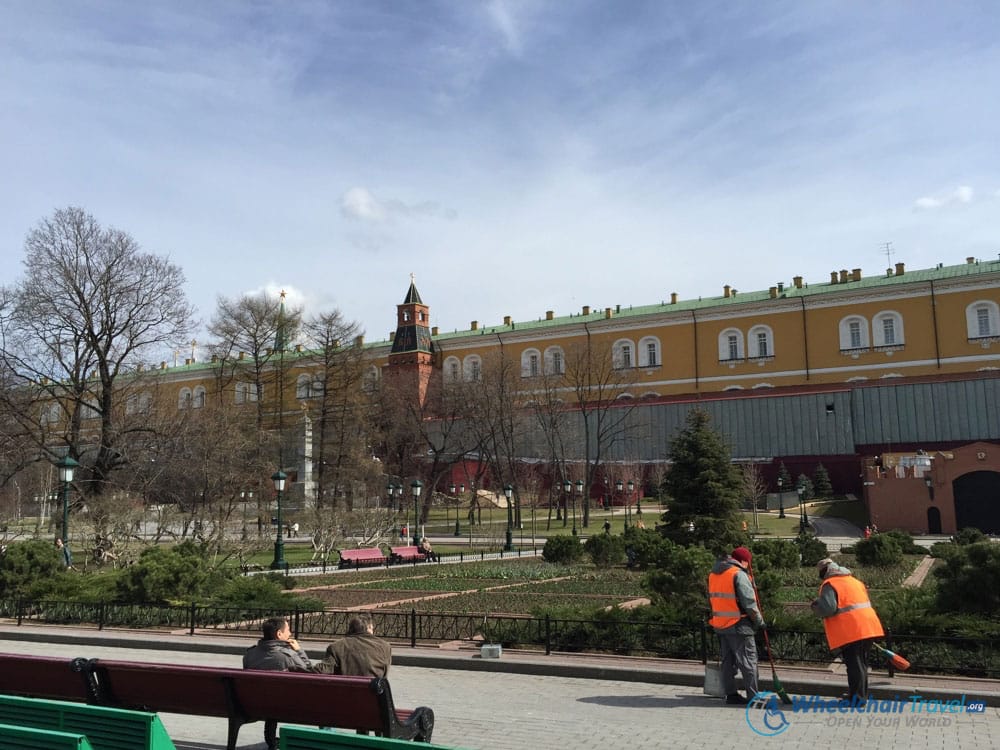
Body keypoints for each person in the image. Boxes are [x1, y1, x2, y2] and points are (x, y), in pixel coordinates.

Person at [812, 558, 884, 706]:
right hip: (868, 626)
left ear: (824, 571)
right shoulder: (854, 581)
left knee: (854, 665)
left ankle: (857, 699)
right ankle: (858, 695)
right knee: (861, 664)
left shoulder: (830, 584)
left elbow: (828, 608)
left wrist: (815, 605)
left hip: (852, 630)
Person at [243, 617, 315, 749]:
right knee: (275, 698)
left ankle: (270, 740)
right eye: (288, 630)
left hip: (253, 704)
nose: (290, 633)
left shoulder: (250, 654)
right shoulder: (287, 655)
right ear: (279, 634)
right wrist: (299, 650)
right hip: (286, 705)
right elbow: (310, 671)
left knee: (270, 696)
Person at [707, 546, 764, 705]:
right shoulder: (738, 574)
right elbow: (749, 603)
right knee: (748, 662)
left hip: (721, 624)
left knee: (728, 661)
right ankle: (754, 698)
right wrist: (760, 621)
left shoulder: (713, 574)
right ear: (744, 561)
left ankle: (731, 694)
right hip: (740, 624)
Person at [317, 615, 392, 678]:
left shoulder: (336, 647)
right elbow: (384, 677)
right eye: (372, 629)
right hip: (372, 694)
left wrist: (306, 665)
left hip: (345, 693)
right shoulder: (385, 647)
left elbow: (323, 670)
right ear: (368, 629)